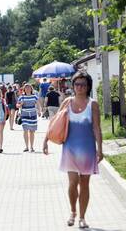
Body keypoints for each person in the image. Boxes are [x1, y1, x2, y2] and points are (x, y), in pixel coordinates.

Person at [43, 71, 103, 229]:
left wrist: (100, 149)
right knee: (72, 183)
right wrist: (45, 140)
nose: (80, 87)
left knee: (84, 184)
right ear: (73, 86)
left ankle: (82, 217)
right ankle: (73, 211)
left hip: (87, 149)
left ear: (88, 86)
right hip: (69, 148)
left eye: (83, 84)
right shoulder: (67, 102)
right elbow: (55, 122)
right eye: (77, 84)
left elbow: (97, 128)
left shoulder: (93, 104)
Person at [17, 84, 41, 153]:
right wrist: (20, 105)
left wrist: (39, 111)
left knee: (32, 131)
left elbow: (38, 104)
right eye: (26, 88)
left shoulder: (34, 96)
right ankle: (26, 147)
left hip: (33, 115)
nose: (27, 89)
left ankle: (32, 147)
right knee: (25, 130)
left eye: (29, 88)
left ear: (31, 89)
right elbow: (17, 105)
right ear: (24, 89)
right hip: (24, 114)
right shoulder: (22, 97)